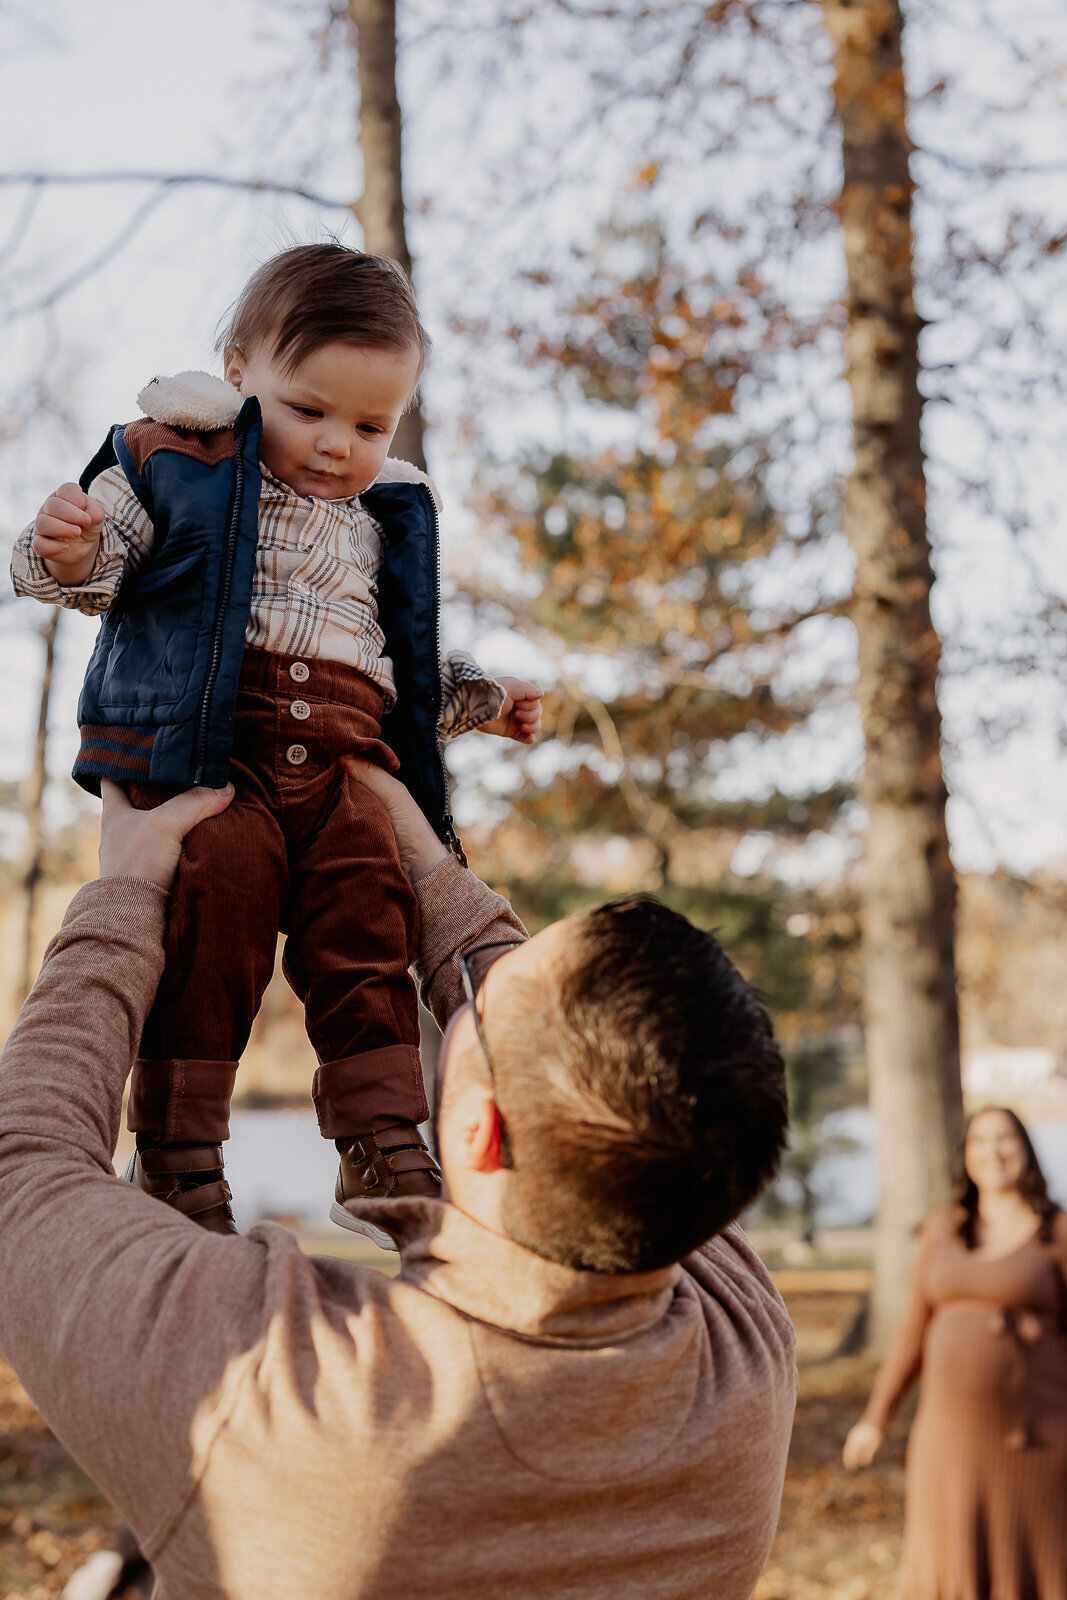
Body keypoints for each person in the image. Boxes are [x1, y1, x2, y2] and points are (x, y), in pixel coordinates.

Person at [0, 764, 796, 1600]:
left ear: (479, 1133)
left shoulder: (271, 1383)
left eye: (474, 1010)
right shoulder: (743, 1359)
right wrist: (429, 864)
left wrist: (121, 895)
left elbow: (23, 1169)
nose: (466, 987)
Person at [9, 243, 543, 1242]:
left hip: (340, 759)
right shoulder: (173, 461)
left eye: (371, 424)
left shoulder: (381, 523)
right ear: (239, 371)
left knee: (367, 922)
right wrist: (69, 546)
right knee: (214, 916)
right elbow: (98, 570)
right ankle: (175, 1153)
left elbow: (402, 672)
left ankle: (381, 1137)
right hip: (217, 754)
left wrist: (490, 697)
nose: (339, 445)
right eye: (310, 410)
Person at [843, 1106, 1067, 1600]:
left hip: (1040, 1440)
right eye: (979, 1141)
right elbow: (912, 1332)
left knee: (1040, 1561)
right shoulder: (943, 1228)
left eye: (1005, 1139)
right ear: (965, 1156)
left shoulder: (1058, 1232)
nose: (993, 1152)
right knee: (948, 1556)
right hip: (949, 1440)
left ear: (1027, 1150)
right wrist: (876, 1419)